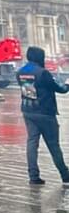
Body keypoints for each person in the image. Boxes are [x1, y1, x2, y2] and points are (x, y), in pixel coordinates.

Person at [17, 45, 69, 185]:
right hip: (45, 113)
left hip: (28, 111)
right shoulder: (43, 73)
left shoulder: (21, 71)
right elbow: (59, 89)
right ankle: (65, 175)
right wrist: (67, 85)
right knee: (53, 145)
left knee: (32, 143)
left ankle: (33, 176)